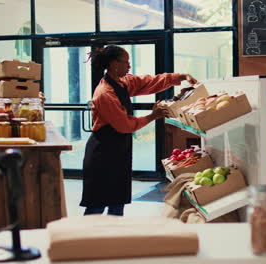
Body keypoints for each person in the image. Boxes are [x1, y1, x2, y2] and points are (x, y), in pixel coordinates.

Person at [80, 45, 197, 216]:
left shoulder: (123, 83)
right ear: (114, 64)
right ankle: (85, 241)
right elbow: (125, 125)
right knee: (97, 205)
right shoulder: (105, 93)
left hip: (119, 150)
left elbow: (149, 82)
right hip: (102, 154)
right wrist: (153, 116)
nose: (129, 66)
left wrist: (180, 76)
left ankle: (115, 239)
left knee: (117, 201)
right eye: (126, 62)